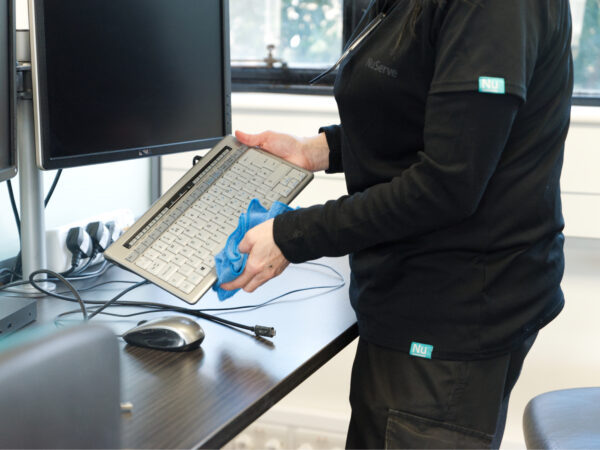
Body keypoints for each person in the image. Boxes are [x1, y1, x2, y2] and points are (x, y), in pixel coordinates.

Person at [221, 0, 573, 448]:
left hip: (450, 316)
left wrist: (292, 236)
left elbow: (448, 183)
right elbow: (428, 117)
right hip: (416, 295)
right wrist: (318, 150)